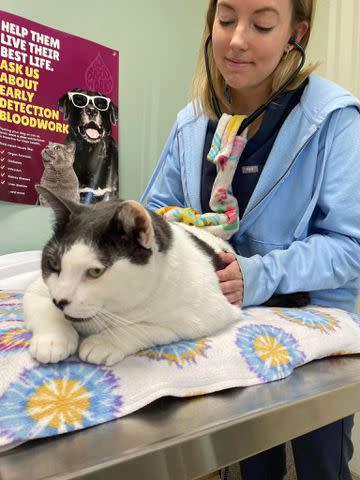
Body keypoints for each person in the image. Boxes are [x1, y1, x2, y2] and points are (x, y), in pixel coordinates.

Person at [141, 0, 360, 478]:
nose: (236, 39)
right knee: (248, 462)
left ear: (295, 34)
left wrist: (257, 275)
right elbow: (154, 218)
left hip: (313, 333)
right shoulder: (192, 122)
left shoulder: (334, 119)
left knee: (320, 464)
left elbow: (350, 246)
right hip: (223, 323)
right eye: (225, 19)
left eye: (262, 24)